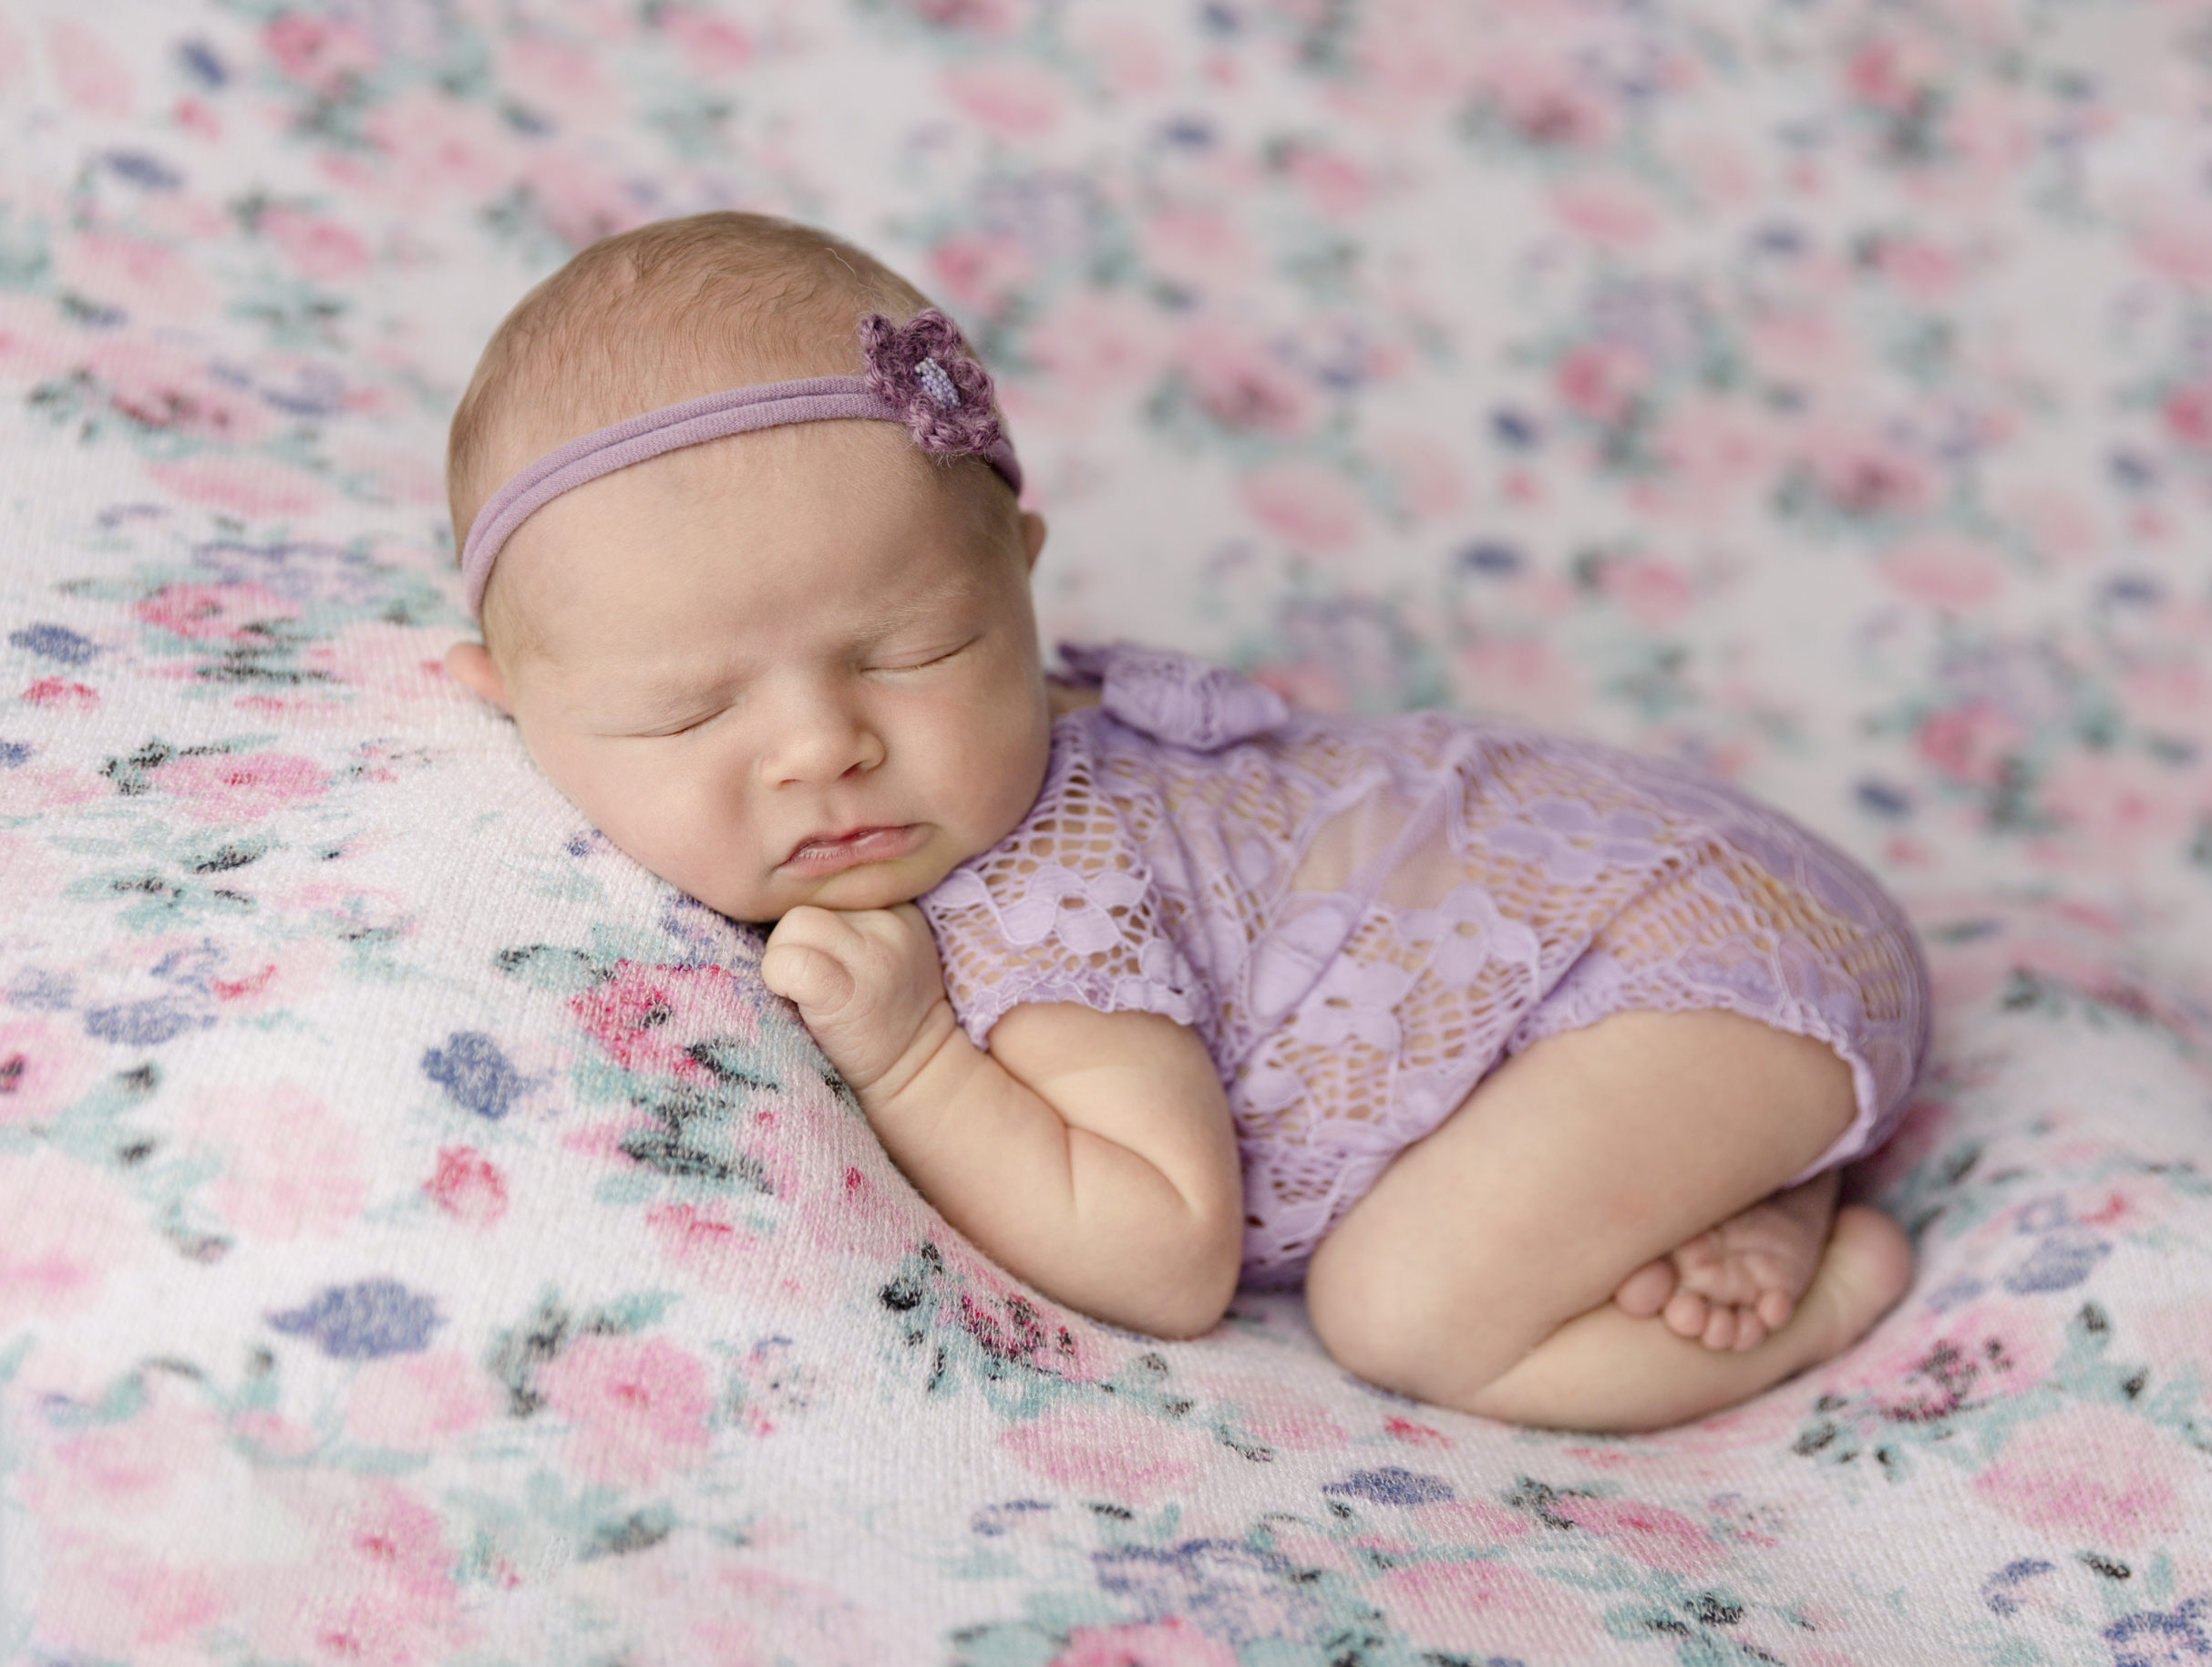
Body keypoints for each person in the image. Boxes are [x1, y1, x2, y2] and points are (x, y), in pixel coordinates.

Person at [443, 211, 1929, 1433]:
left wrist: (908, 1056)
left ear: (1022, 584)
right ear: (506, 696)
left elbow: (1165, 1248)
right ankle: (1734, 1181)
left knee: (1405, 1312)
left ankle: (1827, 1279)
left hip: (1694, 952)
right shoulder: (874, 770)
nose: (826, 742)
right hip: (1636, 963)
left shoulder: (1045, 898)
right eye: (691, 713)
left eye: (919, 652)